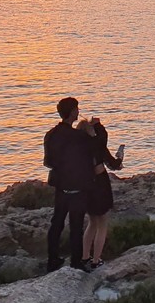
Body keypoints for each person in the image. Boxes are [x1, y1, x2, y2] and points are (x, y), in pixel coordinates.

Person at [43, 96, 97, 273]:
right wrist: (92, 134)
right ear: (73, 111)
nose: (78, 111)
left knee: (56, 223)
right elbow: (93, 153)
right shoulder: (79, 137)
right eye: (77, 108)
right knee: (76, 226)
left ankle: (52, 259)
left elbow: (49, 162)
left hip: (61, 186)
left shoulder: (50, 134)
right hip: (77, 187)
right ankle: (76, 262)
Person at [80, 115, 124, 270]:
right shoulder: (96, 144)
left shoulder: (78, 148)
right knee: (102, 223)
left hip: (86, 185)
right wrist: (98, 124)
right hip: (100, 183)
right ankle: (96, 260)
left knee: (92, 222)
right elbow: (113, 164)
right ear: (90, 131)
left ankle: (85, 257)